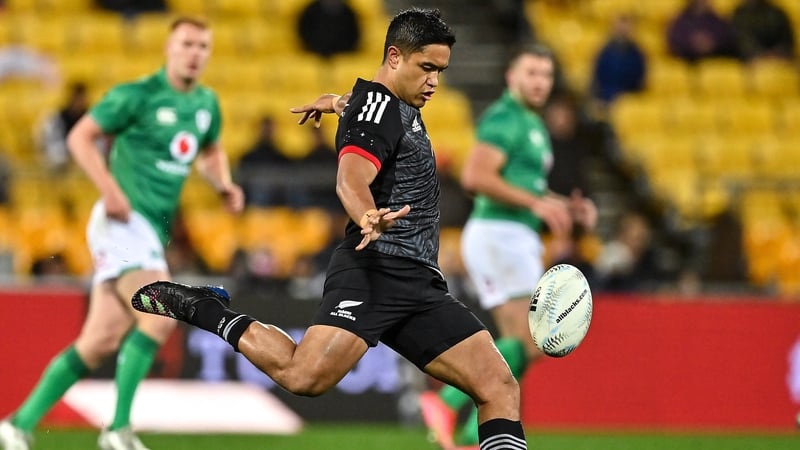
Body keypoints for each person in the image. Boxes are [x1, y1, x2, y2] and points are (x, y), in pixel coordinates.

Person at [130, 8, 530, 450]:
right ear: (394, 57)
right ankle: (206, 310)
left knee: (499, 387)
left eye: (441, 70)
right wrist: (366, 214)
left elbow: (370, 109)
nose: (435, 81)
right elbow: (350, 178)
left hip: (420, 283)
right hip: (375, 271)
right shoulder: (379, 108)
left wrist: (340, 102)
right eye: (427, 68)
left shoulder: (385, 104)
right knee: (304, 377)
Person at [0, 17, 244, 450]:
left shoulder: (206, 103)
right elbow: (80, 137)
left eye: (203, 46)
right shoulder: (137, 95)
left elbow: (209, 150)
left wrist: (222, 183)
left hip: (149, 231)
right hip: (120, 222)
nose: (195, 53)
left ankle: (17, 424)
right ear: (169, 48)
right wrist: (109, 189)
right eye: (187, 44)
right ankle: (117, 430)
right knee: (157, 315)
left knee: (97, 343)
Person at [417, 44, 597, 448]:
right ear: (510, 77)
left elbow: (523, 185)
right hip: (500, 235)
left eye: (546, 75)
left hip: (513, 236)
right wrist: (536, 203)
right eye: (530, 73)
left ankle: (467, 431)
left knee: (523, 345)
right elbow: (476, 176)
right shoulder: (504, 118)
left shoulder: (529, 123)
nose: (539, 82)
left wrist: (561, 205)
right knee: (533, 343)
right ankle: (445, 402)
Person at [590, 13, 646, 106]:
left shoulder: (638, 55)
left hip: (629, 101)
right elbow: (597, 79)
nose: (623, 29)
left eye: (626, 25)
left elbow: (640, 82)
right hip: (606, 98)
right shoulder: (604, 53)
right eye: (620, 25)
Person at [36, 82, 90, 174]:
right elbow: (49, 141)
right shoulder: (57, 118)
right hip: (62, 162)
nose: (80, 102)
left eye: (82, 98)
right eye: (78, 98)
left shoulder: (89, 118)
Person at [666, 0, 739, 62]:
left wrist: (712, 43)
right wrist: (692, 44)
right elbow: (673, 40)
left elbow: (728, 39)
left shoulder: (717, 20)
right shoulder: (682, 19)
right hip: (689, 62)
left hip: (713, 60)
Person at [730, 0, 796, 61]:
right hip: (752, 63)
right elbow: (742, 41)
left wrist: (776, 53)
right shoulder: (740, 14)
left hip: (780, 62)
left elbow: (787, 42)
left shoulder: (776, 13)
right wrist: (761, 55)